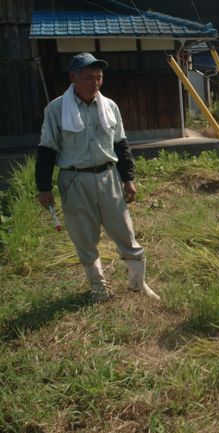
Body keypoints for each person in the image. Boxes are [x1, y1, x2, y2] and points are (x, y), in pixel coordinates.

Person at [35, 52, 159, 302]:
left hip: (108, 177)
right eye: (89, 78)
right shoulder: (57, 109)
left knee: (125, 232)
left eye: (99, 77)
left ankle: (138, 284)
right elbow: (47, 148)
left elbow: (121, 145)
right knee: (85, 238)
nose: (95, 83)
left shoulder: (110, 106)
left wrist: (128, 179)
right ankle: (99, 289)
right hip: (74, 180)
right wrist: (43, 187)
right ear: (73, 77)